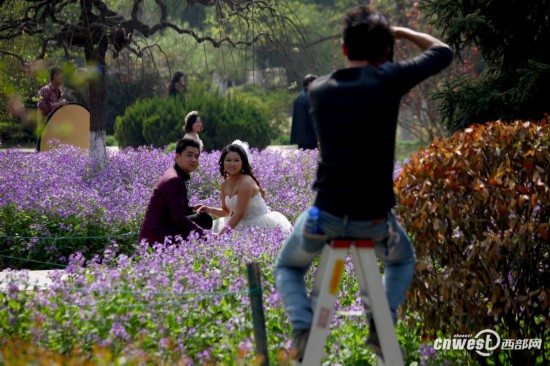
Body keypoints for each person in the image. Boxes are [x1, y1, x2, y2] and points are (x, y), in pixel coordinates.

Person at [274, 6, 454, 362]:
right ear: (386, 53)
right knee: (403, 261)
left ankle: (303, 327)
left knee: (288, 267)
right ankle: (380, 321)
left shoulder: (319, 90)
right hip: (373, 220)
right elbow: (442, 52)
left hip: (323, 216)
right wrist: (399, 31)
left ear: (343, 48)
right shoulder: (388, 80)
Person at [197, 140, 292, 234]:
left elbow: (239, 214)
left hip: (260, 224)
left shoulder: (246, 182)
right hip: (241, 223)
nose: (232, 164)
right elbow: (226, 212)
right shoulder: (224, 184)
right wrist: (210, 209)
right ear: (223, 162)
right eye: (228, 160)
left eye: (236, 160)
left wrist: (220, 235)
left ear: (243, 163)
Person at [138, 138, 213, 245]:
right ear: (177, 157)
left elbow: (176, 209)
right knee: (203, 223)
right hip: (157, 237)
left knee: (203, 218)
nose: (193, 160)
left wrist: (191, 209)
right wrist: (204, 235)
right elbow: (179, 218)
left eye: (196, 156)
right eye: (189, 155)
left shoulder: (177, 174)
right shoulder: (173, 179)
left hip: (164, 228)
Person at [290, 74, 318, 150]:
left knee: (304, 159)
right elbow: (312, 118)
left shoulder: (298, 97)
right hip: (310, 137)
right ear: (309, 83)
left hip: (301, 137)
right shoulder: (309, 97)